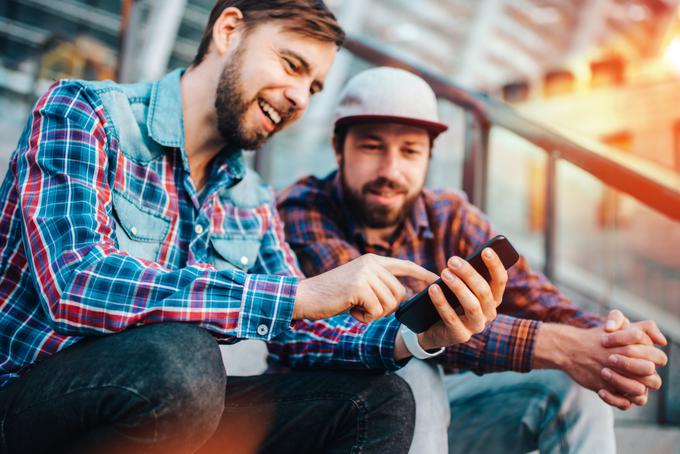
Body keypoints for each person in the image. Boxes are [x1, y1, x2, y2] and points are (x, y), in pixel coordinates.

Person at [0, 3, 493, 452]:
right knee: (185, 356)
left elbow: (303, 334)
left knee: (378, 400)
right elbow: (75, 283)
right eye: (291, 65)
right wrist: (297, 295)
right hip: (29, 400)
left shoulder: (252, 200)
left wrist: (419, 334)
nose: (299, 97)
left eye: (314, 87)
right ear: (229, 31)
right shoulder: (85, 113)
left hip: (169, 407)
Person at [275, 66, 669, 453]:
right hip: (332, 417)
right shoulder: (303, 209)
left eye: (410, 150)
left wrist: (610, 339)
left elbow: (536, 297)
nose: (390, 170)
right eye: (371, 146)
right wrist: (565, 347)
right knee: (412, 368)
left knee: (575, 393)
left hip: (445, 415)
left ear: (429, 156)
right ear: (337, 149)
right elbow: (397, 324)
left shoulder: (447, 212)